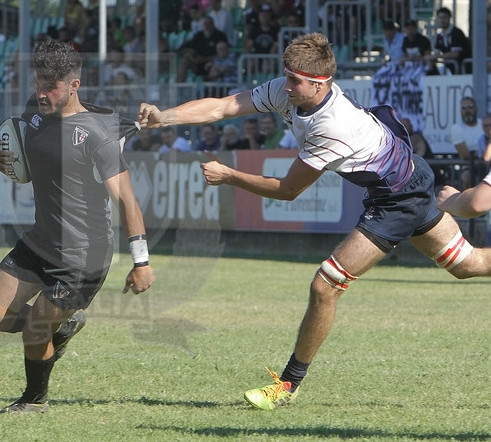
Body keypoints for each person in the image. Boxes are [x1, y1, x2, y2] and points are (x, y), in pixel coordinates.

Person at [138, 32, 491, 411]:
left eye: (294, 81)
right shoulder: (290, 87)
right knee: (469, 265)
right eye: (286, 77)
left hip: (397, 198)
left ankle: (288, 385)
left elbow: (289, 190)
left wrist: (230, 176)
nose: (285, 86)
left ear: (320, 84)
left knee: (326, 285)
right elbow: (224, 107)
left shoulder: (332, 126)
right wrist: (165, 117)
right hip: (404, 178)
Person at [0, 37, 155, 414]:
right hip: (40, 241)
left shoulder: (95, 134)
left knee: (34, 329)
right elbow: (9, 152)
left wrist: (141, 262)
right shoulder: (34, 112)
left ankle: (34, 400)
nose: (41, 94)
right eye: (37, 84)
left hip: (82, 256)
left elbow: (126, 198)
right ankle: (64, 326)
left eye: (50, 87)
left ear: (74, 85)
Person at [438, 117, 491, 218]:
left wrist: (451, 200)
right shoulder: (481, 139)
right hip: (481, 174)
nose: (488, 128)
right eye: (485, 126)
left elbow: (476, 204)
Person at [176, 16, 227, 83]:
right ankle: (179, 88)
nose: (207, 26)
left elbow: (223, 54)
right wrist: (191, 54)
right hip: (197, 64)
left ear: (213, 24)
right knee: (185, 60)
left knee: (214, 65)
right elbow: (187, 48)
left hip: (213, 63)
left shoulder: (220, 36)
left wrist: (203, 59)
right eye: (205, 24)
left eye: (209, 23)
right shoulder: (198, 36)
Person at [451, 97, 483, 189]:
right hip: (468, 166)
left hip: (488, 163)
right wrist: (482, 151)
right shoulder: (456, 128)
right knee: (466, 177)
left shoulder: (485, 124)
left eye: (470, 107)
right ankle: (467, 202)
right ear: (460, 111)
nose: (467, 110)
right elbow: (465, 155)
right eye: (464, 108)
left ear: (476, 108)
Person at [433, 7, 471, 75]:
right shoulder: (440, 36)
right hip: (449, 69)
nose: (442, 20)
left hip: (463, 69)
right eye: (440, 17)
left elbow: (455, 54)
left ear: (450, 18)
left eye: (445, 17)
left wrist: (438, 57)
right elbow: (436, 52)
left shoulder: (456, 33)